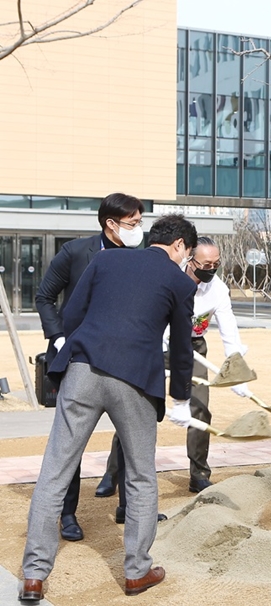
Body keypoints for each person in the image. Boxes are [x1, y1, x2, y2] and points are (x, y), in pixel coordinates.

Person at [18, 214, 198, 602]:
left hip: (83, 370)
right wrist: (181, 397)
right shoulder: (181, 282)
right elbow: (183, 347)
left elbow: (72, 315)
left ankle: (33, 576)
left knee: (55, 471)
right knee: (140, 476)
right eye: (190, 253)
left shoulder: (106, 259)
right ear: (181, 246)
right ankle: (136, 572)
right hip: (135, 379)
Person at [99, 236, 251, 502]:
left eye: (216, 264)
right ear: (190, 259)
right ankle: (113, 473)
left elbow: (229, 332)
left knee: (200, 409)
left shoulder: (217, 290)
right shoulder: (167, 277)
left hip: (192, 350)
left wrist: (236, 369)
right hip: (154, 345)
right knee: (135, 410)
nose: (211, 269)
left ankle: (199, 474)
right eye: (206, 263)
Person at [33, 192, 145, 542]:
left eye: (141, 222)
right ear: (110, 223)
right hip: (77, 358)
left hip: (125, 359)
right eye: (133, 223)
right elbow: (44, 296)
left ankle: (131, 506)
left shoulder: (140, 256)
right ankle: (67, 515)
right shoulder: (75, 252)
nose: (138, 229)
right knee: (70, 443)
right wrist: (58, 338)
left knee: (132, 438)